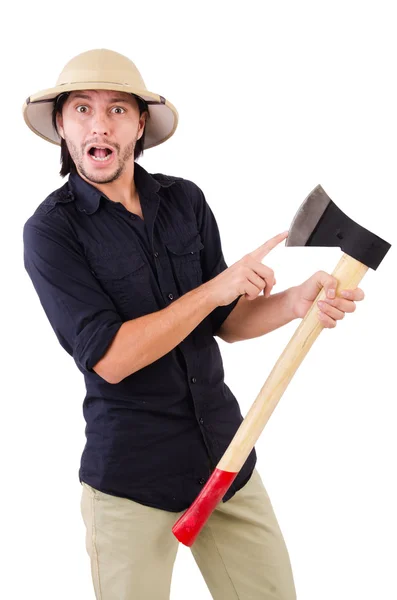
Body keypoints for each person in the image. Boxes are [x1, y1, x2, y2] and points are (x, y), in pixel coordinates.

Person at [22, 49, 365, 600]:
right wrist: (215, 289)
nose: (99, 123)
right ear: (62, 126)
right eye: (82, 109)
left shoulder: (185, 201)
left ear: (139, 126)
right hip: (130, 483)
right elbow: (111, 358)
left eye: (116, 110)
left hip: (225, 460)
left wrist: (295, 303)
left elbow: (226, 320)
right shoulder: (50, 233)